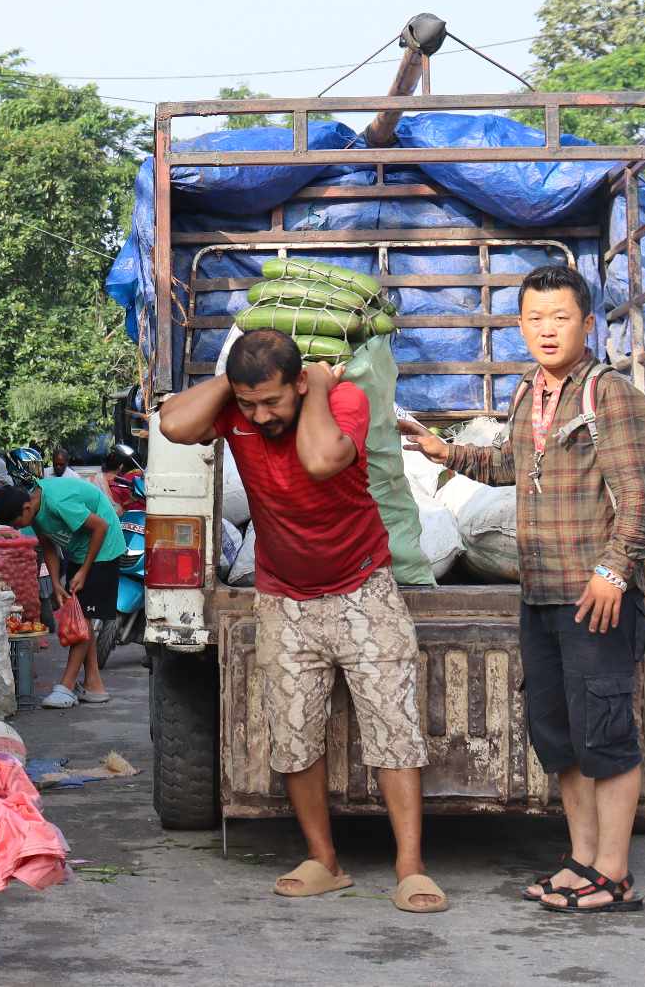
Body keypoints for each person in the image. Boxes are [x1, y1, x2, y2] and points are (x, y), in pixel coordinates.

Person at [158, 327, 444, 915]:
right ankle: (324, 861)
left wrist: (315, 389)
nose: (260, 416)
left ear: (299, 382)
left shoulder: (344, 402)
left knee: (394, 729)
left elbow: (319, 461)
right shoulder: (236, 411)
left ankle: (410, 867)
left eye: (272, 401)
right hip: (283, 597)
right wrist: (229, 384)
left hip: (363, 588)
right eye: (248, 404)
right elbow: (174, 426)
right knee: (293, 734)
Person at [404, 264, 645, 914]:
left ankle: (615, 872)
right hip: (539, 593)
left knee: (605, 733)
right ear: (520, 324)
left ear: (586, 323)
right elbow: (511, 465)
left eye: (560, 317)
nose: (547, 329)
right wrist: (445, 450)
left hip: (593, 593)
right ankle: (582, 859)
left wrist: (615, 570)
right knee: (559, 736)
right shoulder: (528, 392)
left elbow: (637, 497)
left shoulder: (610, 394)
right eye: (535, 318)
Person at [0, 477, 124, 708]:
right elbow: (49, 544)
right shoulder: (35, 507)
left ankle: (66, 686)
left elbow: (101, 526)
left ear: (26, 508)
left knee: (82, 618)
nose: (18, 528)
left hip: (103, 551)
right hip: (80, 551)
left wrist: (84, 571)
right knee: (83, 617)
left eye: (16, 523)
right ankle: (94, 685)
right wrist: (55, 582)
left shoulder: (58, 502)